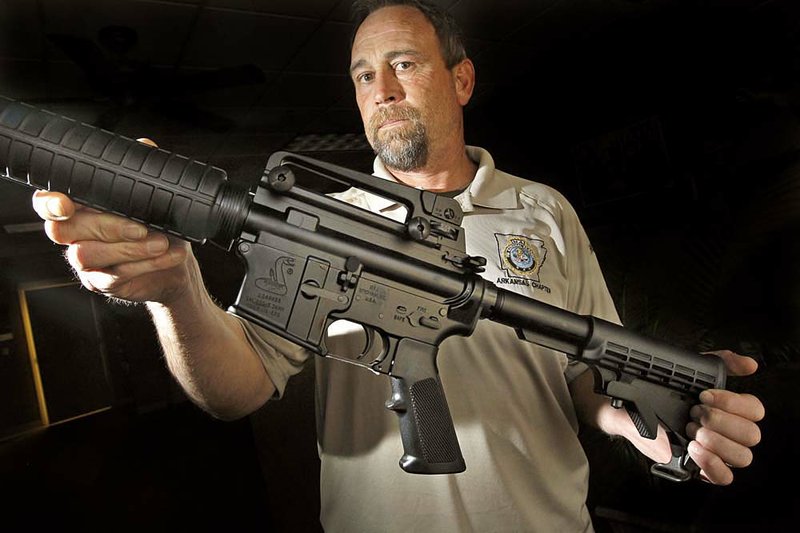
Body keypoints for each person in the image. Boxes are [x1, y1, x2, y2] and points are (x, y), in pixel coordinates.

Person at [32, 1, 765, 531]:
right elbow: (238, 387)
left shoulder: (547, 210)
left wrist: (654, 428)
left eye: (403, 64)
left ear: (462, 80)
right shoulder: (316, 225)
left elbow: (586, 372)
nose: (380, 89)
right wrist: (176, 290)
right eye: (361, 75)